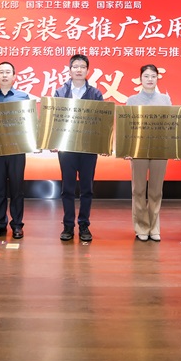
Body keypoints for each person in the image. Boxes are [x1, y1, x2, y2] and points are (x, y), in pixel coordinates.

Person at [54, 54, 104, 242]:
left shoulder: (96, 94)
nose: (79, 70)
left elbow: (101, 122)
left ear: (87, 70)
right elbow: (55, 120)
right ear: (69, 70)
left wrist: (102, 143)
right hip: (66, 149)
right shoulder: (60, 92)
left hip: (88, 148)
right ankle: (68, 225)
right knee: (67, 189)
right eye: (75, 66)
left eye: (82, 67)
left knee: (87, 189)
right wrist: (53, 141)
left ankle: (84, 225)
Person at [125, 64, 172, 242]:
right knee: (138, 190)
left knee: (156, 190)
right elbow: (127, 127)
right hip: (138, 150)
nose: (150, 79)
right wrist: (127, 148)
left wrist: (173, 147)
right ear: (140, 79)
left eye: (153, 76)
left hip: (160, 149)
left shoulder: (165, 100)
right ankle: (141, 227)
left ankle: (154, 227)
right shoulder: (132, 100)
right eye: (146, 76)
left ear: (158, 78)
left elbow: (171, 126)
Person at [0, 62, 30, 240]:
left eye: (8, 72)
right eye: (1, 72)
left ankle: (17, 225)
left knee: (17, 189)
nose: (4, 75)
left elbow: (28, 122)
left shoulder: (23, 97)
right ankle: (0, 224)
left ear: (14, 76)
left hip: (17, 150)